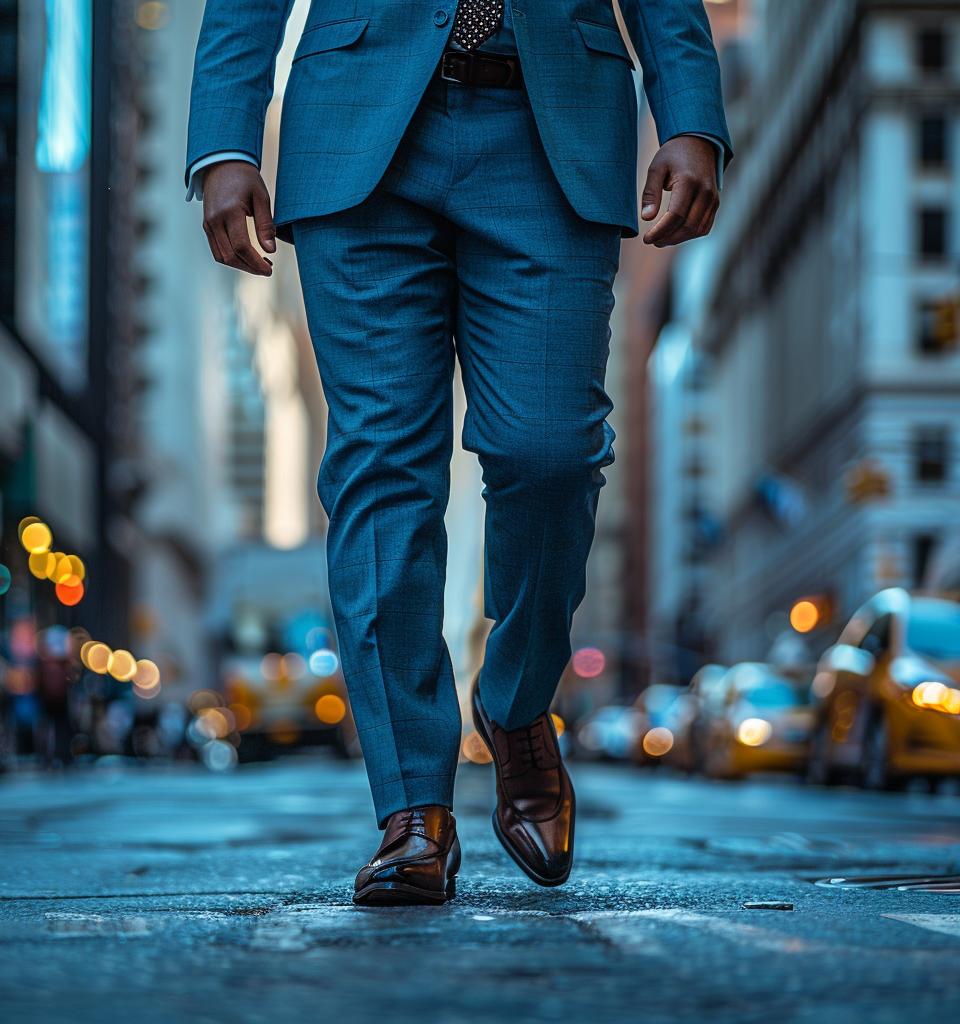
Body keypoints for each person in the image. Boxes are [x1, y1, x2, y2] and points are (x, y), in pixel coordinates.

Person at [187, 0, 731, 905]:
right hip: (356, 133)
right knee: (380, 467)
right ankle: (413, 814)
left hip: (553, 131)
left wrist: (692, 118)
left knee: (550, 450)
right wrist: (224, 144)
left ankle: (515, 703)